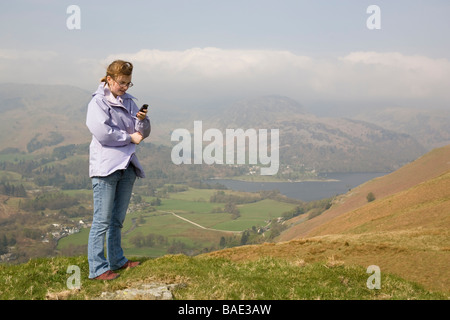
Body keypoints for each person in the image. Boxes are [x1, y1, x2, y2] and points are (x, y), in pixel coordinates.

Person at [86, 60, 151, 280]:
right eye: (122, 82)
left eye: (128, 83)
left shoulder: (131, 102)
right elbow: (103, 133)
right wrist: (128, 137)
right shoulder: (97, 103)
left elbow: (142, 132)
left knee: (117, 220)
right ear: (110, 79)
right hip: (106, 168)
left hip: (127, 166)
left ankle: (117, 260)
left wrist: (142, 121)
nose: (125, 87)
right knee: (102, 221)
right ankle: (97, 269)